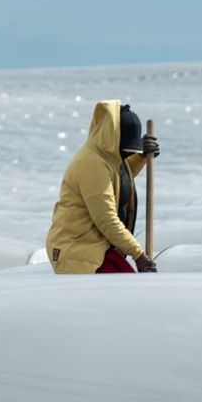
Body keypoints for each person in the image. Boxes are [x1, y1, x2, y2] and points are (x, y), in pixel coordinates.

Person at [46, 100, 160, 274]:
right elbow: (106, 219)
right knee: (127, 287)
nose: (128, 156)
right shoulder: (93, 163)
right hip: (77, 250)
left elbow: (120, 180)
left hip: (96, 246)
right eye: (127, 151)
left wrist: (142, 157)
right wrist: (138, 255)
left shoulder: (109, 158)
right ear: (113, 139)